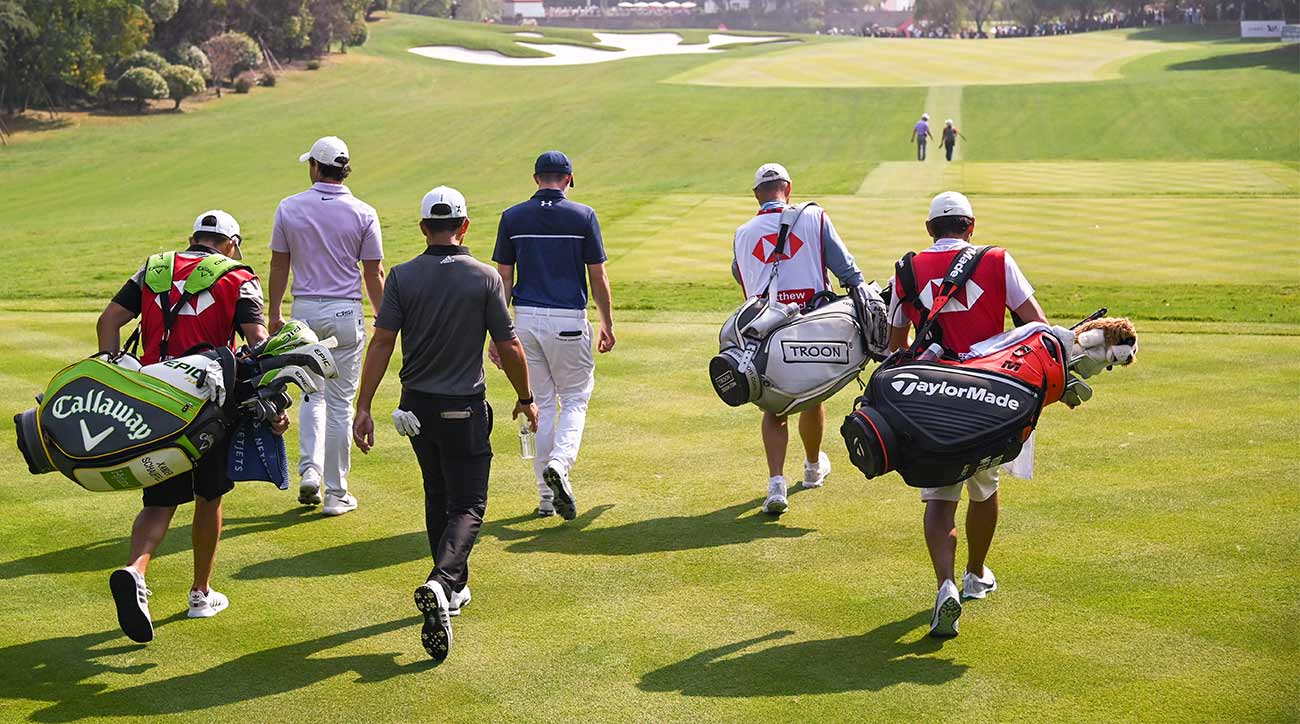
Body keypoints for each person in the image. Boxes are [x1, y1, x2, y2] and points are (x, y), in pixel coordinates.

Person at [352, 186, 539, 662]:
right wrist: (525, 397)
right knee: (470, 504)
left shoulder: (401, 276)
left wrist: (364, 405)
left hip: (415, 408)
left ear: (422, 228)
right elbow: (510, 346)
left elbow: (381, 344)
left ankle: (453, 589)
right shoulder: (484, 278)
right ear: (465, 226)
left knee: (437, 494)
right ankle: (442, 580)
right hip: (463, 408)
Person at [95, 210, 287, 643]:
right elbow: (257, 342)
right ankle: (200, 594)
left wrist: (114, 377)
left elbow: (108, 322)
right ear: (232, 244)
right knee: (209, 496)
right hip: (210, 403)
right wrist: (274, 401)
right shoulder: (238, 276)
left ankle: (136, 572)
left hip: (154, 401)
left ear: (193, 238)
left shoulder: (154, 266)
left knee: (160, 501)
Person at [885, 191, 1048, 638]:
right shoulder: (996, 259)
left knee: (940, 498)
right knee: (984, 487)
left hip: (933, 399)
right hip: (990, 397)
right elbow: (1036, 325)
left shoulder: (908, 270)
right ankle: (976, 574)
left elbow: (896, 346)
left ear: (929, 229)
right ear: (971, 226)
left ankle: (946, 585)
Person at [731, 162, 866, 515]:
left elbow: (741, 275)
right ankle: (810, 468)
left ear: (757, 195)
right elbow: (846, 269)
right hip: (810, 323)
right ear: (787, 189)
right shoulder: (813, 217)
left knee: (773, 406)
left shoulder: (742, 233)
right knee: (811, 394)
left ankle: (776, 483)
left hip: (764, 329)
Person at [490, 151, 615, 521]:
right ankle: (560, 464)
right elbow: (598, 276)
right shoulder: (583, 215)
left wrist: (498, 334)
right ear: (569, 178)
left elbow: (504, 279)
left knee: (539, 405)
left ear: (535, 178)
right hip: (569, 321)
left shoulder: (512, 217)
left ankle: (546, 499)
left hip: (524, 321)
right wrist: (607, 321)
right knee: (575, 399)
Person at [268, 135, 385, 516]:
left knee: (311, 396)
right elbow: (374, 272)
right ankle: (336, 494)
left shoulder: (289, 207)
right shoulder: (364, 212)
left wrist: (273, 314)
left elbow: (279, 265)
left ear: (315, 168)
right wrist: (383, 317)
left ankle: (310, 473)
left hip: (304, 311)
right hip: (345, 312)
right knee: (339, 404)